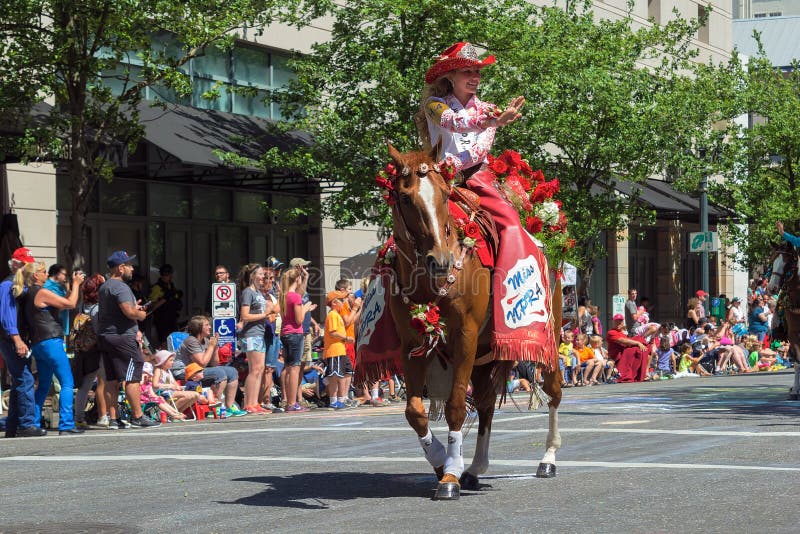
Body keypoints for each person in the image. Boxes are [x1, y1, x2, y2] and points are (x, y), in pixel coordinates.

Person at [416, 42, 555, 363]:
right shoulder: (435, 105)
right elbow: (453, 123)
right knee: (407, 225)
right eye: (467, 71)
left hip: (476, 176)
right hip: (440, 177)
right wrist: (494, 121)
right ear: (449, 75)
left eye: (477, 71)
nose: (474, 76)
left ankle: (513, 300)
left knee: (510, 222)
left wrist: (494, 120)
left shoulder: (488, 109)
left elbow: (479, 151)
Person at [17, 262, 86, 434]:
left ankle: (33, 422)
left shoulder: (28, 294)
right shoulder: (41, 292)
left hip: (38, 344)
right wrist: (76, 284)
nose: (46, 275)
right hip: (50, 341)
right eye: (42, 272)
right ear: (35, 276)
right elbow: (70, 304)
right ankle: (66, 424)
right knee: (67, 382)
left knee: (44, 384)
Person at [97, 251, 159, 429]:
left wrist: (134, 307)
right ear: (120, 268)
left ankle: (113, 419)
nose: (132, 269)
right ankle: (138, 416)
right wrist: (140, 313)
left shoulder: (105, 286)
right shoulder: (121, 287)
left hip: (106, 335)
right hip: (123, 337)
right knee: (133, 375)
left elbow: (118, 310)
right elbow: (129, 312)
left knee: (111, 379)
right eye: (129, 265)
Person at [1, 247, 46, 438]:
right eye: (28, 263)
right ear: (18, 265)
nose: (31, 266)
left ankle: (13, 425)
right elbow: (7, 316)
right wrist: (17, 339)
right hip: (12, 339)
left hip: (18, 339)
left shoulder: (20, 285)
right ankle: (27, 423)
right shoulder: (7, 285)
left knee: (21, 379)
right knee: (25, 379)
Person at [176, 315, 246, 417]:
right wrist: (211, 346)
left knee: (232, 371)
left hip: (199, 371)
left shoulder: (206, 341)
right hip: (184, 372)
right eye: (207, 325)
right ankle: (214, 406)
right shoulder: (191, 340)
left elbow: (215, 363)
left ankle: (229, 406)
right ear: (198, 328)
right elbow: (202, 362)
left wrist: (215, 347)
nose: (210, 327)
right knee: (219, 373)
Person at [280, 266, 317, 413]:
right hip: (295, 334)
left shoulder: (284, 294)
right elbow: (299, 319)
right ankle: (292, 403)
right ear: (297, 279)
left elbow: (299, 294)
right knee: (295, 369)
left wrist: (305, 277)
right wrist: (306, 308)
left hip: (285, 333)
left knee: (289, 369)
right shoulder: (294, 297)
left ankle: (290, 402)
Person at [237, 263, 271, 414]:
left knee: (260, 369)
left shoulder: (258, 292)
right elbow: (244, 315)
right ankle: (249, 403)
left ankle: (255, 402)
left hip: (259, 332)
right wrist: (264, 315)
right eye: (260, 273)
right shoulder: (248, 292)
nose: (263, 276)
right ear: (252, 276)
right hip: (251, 334)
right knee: (255, 369)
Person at [73, 273, 106, 429]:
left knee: (85, 385)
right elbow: (100, 331)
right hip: (97, 350)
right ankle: (106, 416)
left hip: (84, 349)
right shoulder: (97, 309)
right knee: (106, 382)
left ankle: (79, 417)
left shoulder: (81, 305)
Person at [323, 289, 350, 409]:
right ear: (334, 302)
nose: (344, 303)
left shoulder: (336, 315)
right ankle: (333, 401)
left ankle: (339, 400)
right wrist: (346, 338)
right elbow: (333, 332)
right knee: (334, 376)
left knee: (339, 375)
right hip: (334, 350)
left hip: (339, 350)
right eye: (342, 300)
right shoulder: (333, 315)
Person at [606, 313, 649, 383]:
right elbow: (623, 341)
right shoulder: (611, 332)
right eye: (617, 321)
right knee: (637, 343)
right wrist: (637, 343)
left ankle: (644, 373)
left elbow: (628, 342)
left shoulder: (623, 334)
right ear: (613, 322)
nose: (619, 323)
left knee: (645, 347)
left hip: (624, 355)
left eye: (620, 321)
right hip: (617, 358)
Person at [148, 263, 183, 348]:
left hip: (172, 318)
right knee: (164, 342)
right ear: (162, 275)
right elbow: (151, 306)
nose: (170, 277)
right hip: (162, 319)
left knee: (174, 340)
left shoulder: (171, 285)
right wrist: (164, 298)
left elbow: (174, 298)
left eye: (170, 274)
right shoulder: (157, 287)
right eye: (167, 274)